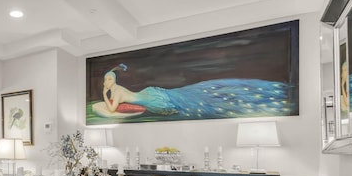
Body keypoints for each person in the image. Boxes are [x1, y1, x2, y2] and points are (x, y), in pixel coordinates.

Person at [99, 64, 296, 119]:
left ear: (113, 80)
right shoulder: (118, 89)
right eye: (106, 79)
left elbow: (111, 109)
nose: (108, 81)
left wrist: (103, 94)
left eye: (109, 78)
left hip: (151, 99)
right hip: (149, 93)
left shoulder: (115, 91)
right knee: (189, 95)